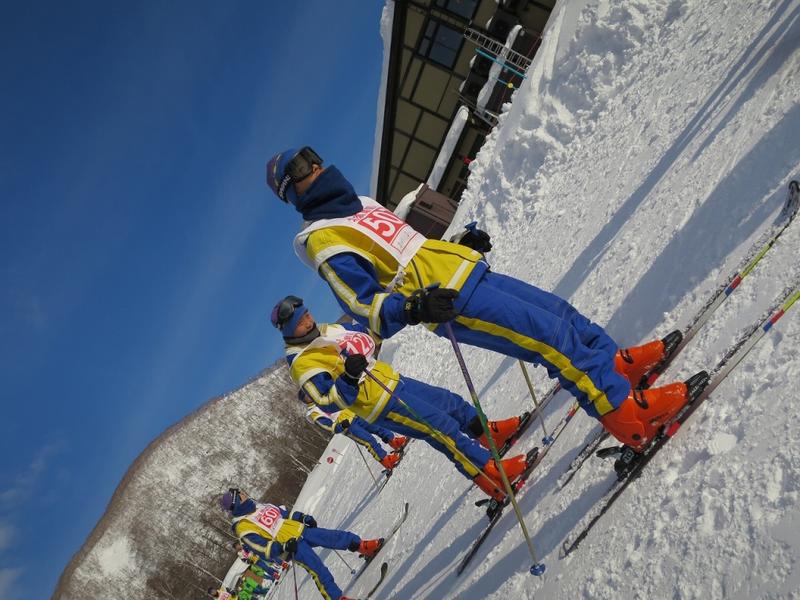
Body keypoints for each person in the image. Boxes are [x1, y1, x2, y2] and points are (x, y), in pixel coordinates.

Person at [265, 147, 692, 461]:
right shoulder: (322, 239)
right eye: (300, 168)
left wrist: (458, 244)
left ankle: (616, 367)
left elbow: (411, 249)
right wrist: (413, 309)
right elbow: (364, 305)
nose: (314, 166)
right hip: (452, 301)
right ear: (292, 190)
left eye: (311, 156)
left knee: (562, 314)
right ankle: (629, 418)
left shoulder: (362, 204)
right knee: (551, 340)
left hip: (467, 270)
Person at [271, 295, 533, 502]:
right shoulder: (301, 363)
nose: (309, 320)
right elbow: (326, 400)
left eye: (307, 313)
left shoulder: (327, 329)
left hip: (393, 380)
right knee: (442, 430)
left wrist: (406, 309)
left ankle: (490, 435)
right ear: (290, 330)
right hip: (379, 403)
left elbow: (367, 332)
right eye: (302, 321)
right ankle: (493, 477)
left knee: (451, 403)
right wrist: (348, 378)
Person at [221, 488, 382, 600]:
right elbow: (260, 547)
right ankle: (337, 597)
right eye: (240, 495)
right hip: (292, 547)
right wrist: (282, 547)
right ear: (237, 502)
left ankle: (362, 546)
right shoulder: (243, 526)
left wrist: (302, 517)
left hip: (300, 530)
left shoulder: (259, 505)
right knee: (319, 569)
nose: (245, 494)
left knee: (333, 536)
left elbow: (285, 514)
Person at [299, 389, 407, 471]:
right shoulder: (314, 412)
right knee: (369, 440)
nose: (310, 394)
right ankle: (386, 461)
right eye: (306, 395)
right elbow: (326, 425)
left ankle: (394, 441)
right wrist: (340, 426)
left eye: (309, 392)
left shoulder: (324, 397)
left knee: (377, 426)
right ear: (305, 400)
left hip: (355, 414)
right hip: (348, 426)